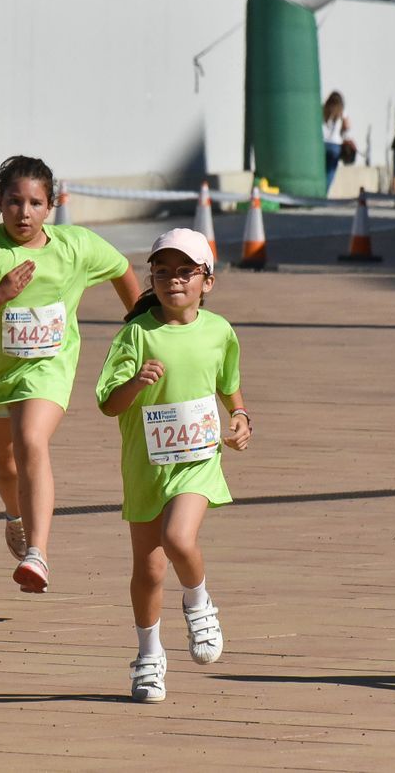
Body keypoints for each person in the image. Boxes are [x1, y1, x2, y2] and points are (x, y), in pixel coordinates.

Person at [0, 156, 140, 594]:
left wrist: (141, 325)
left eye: (35, 203)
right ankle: (14, 515)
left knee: (31, 439)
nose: (24, 213)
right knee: (6, 465)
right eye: (15, 202)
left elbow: (122, 269)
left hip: (47, 369)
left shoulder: (75, 246)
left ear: (50, 206)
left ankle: (38, 553)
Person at [96, 228, 251, 703]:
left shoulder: (219, 331)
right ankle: (149, 656)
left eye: (186, 271)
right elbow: (108, 403)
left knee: (179, 538)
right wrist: (136, 383)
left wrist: (240, 417)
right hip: (146, 464)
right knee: (148, 570)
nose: (173, 281)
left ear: (208, 281)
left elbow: (227, 383)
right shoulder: (136, 334)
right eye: (162, 272)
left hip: (197, 461)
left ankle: (199, 602)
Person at [322, 91, 353, 195]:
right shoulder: (342, 111)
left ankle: (319, 191)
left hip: (322, 143)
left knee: (322, 170)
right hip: (335, 145)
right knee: (330, 172)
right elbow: (347, 126)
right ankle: (324, 193)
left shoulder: (324, 109)